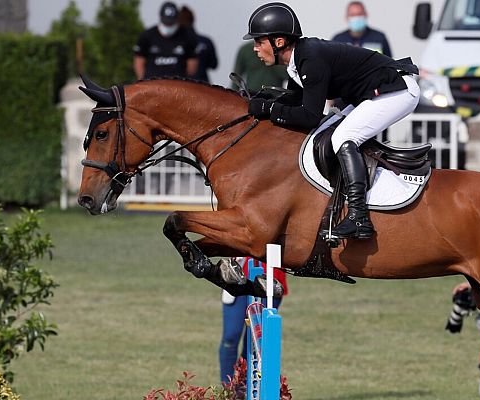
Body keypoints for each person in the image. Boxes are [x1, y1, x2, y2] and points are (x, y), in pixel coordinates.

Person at [243, 2, 420, 240]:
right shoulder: (298, 61)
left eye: (259, 41)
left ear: (279, 42)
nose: (255, 48)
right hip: (378, 92)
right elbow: (295, 101)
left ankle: (359, 217)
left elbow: (309, 116)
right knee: (332, 132)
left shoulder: (310, 59)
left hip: (397, 91)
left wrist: (269, 108)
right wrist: (265, 101)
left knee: (343, 137)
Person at [219, 257, 288, 383]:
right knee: (230, 338)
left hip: (270, 278)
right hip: (238, 276)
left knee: (253, 344)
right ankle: (227, 390)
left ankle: (242, 388)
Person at [133, 2, 198, 80]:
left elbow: (192, 66)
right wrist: (143, 82)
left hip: (178, 86)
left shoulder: (187, 36)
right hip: (152, 85)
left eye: (171, 23)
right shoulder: (147, 36)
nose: (168, 26)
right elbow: (139, 61)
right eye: (166, 22)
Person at [178, 5, 218, 83]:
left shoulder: (174, 44)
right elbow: (213, 64)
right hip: (203, 86)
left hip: (181, 86)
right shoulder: (206, 41)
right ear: (193, 20)